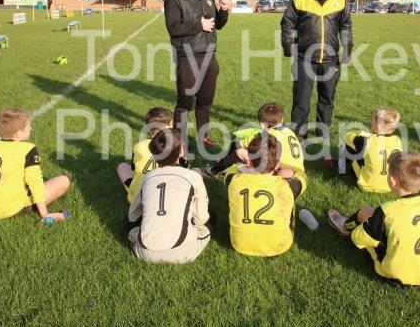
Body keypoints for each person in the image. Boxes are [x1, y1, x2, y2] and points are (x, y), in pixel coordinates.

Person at [327, 151, 420, 286]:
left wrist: (366, 220)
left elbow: (358, 239)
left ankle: (344, 226)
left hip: (394, 277)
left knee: (366, 214)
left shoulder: (387, 211)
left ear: (392, 180)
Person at [164, 0, 231, 146]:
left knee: (205, 102)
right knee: (185, 103)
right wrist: (198, 25)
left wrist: (223, 11)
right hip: (187, 56)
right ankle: (180, 141)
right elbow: (173, 28)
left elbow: (217, 25)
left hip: (210, 56)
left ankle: (203, 137)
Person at [281, 0, 353, 141]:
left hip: (330, 59)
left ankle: (323, 133)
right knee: (301, 100)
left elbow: (346, 25)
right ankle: (299, 135)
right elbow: (287, 22)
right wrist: (287, 43)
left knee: (327, 98)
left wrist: (347, 47)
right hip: (304, 58)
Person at [127, 128, 212, 263]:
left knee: (132, 224)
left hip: (144, 252)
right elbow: (201, 219)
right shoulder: (194, 176)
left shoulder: (147, 177)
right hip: (182, 252)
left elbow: (132, 216)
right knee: (210, 220)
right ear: (181, 151)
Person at [0, 108, 70, 220]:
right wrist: (44, 214)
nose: (31, 128)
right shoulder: (28, 149)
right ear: (18, 133)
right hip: (11, 209)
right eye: (28, 127)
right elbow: (35, 182)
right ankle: (34, 207)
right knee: (64, 181)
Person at [197, 101, 307, 192]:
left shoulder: (265, 135)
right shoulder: (289, 131)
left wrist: (225, 157)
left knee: (240, 152)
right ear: (282, 119)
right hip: (300, 178)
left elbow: (238, 144)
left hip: (284, 182)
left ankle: (212, 171)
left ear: (262, 125)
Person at [225, 133, 303, 257]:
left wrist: (244, 161)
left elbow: (234, 168)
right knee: (290, 200)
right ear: (277, 163)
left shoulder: (232, 179)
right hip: (279, 246)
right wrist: (279, 169)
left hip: (240, 245)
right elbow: (299, 173)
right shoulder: (289, 185)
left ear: (249, 160)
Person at [116, 107, 174, 203]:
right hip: (171, 198)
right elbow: (184, 171)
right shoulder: (177, 145)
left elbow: (134, 171)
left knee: (122, 166)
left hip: (139, 199)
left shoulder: (139, 147)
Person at [338, 108, 403, 193]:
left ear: (378, 126)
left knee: (346, 145)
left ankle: (341, 168)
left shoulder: (366, 139)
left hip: (367, 185)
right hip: (390, 186)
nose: (370, 123)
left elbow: (346, 136)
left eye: (372, 121)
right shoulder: (398, 141)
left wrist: (364, 133)